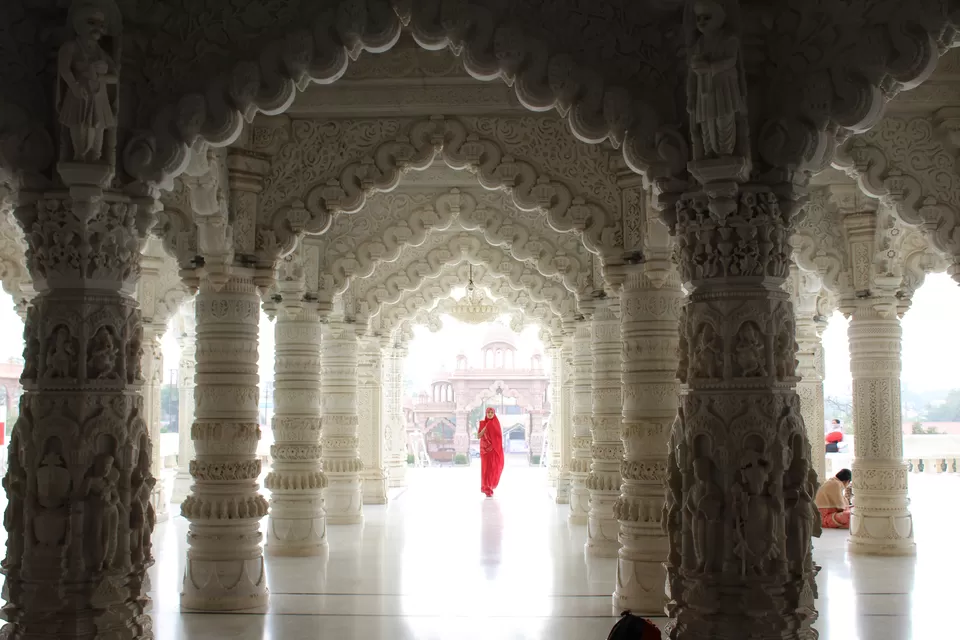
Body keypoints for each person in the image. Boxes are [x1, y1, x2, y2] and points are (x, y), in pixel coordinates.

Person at [478, 407, 504, 498]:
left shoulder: (496, 424)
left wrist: (494, 446)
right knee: (485, 470)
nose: (490, 414)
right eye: (488, 412)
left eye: (491, 412)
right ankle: (486, 488)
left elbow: (498, 438)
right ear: (486, 413)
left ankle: (490, 487)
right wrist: (486, 427)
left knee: (492, 469)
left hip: (493, 450)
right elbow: (479, 436)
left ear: (494, 414)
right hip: (484, 451)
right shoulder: (482, 423)